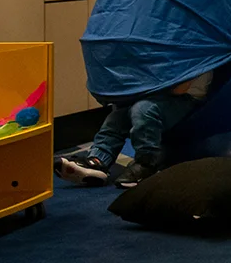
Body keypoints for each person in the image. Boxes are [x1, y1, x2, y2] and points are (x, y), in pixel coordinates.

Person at [54, 71, 213, 188]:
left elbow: (180, 89)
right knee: (117, 118)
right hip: (158, 92)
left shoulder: (200, 46)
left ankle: (147, 163)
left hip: (185, 98)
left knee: (143, 110)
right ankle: (98, 160)